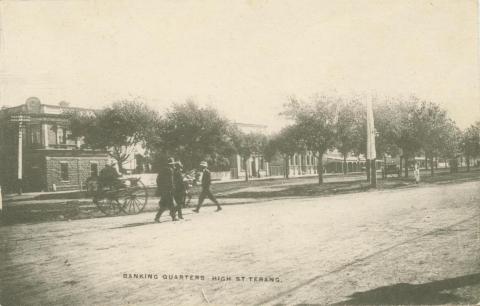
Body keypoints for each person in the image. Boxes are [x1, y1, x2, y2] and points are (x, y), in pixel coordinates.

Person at [154, 157, 177, 222]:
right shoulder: (170, 170)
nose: (173, 165)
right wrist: (172, 188)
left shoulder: (162, 170)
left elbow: (158, 180)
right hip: (168, 190)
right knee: (172, 204)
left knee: (164, 205)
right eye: (173, 164)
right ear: (171, 164)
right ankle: (174, 217)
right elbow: (171, 181)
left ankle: (157, 217)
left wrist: (160, 188)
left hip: (163, 190)